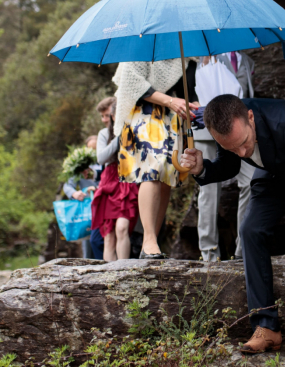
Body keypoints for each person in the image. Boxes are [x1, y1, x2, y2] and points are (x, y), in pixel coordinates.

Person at [180, 95, 285, 362]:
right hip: (275, 173)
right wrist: (202, 168)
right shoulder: (227, 126)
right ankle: (266, 326)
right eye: (232, 147)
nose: (242, 153)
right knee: (250, 231)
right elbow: (230, 163)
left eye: (244, 143)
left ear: (250, 117)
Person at [112, 58, 199, 259]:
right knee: (152, 171)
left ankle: (149, 244)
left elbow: (188, 92)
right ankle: (149, 240)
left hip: (171, 119)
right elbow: (133, 83)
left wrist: (195, 105)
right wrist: (171, 101)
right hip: (144, 114)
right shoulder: (139, 46)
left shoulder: (185, 56)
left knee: (167, 178)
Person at [193, 53, 256, 261]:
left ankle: (242, 250)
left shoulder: (247, 61)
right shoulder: (207, 52)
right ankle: (209, 253)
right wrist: (204, 60)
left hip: (240, 134)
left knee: (251, 182)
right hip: (208, 132)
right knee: (209, 192)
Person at [91, 97, 140, 261]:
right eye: (104, 116)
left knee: (122, 228)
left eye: (108, 114)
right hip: (109, 181)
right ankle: (109, 280)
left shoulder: (133, 129)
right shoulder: (104, 134)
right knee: (109, 236)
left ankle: (123, 270)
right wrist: (118, 138)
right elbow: (101, 157)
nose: (107, 118)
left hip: (127, 178)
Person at [62, 137, 99, 259]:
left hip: (105, 206)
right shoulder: (81, 165)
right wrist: (75, 194)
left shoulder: (106, 162)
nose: (94, 152)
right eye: (91, 149)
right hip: (87, 210)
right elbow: (67, 185)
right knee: (88, 245)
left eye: (96, 148)